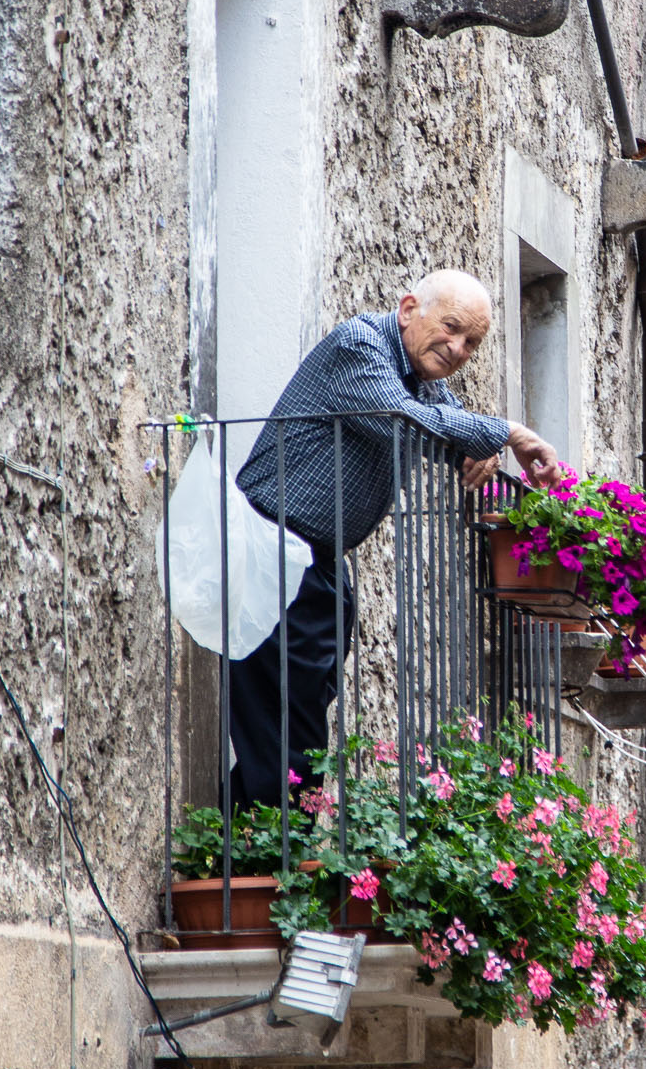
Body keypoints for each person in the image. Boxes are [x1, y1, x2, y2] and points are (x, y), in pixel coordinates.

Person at [227, 270, 561, 806]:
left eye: (471, 342)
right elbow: (401, 421)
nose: (458, 348)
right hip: (273, 546)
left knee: (299, 710)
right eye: (451, 327)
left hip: (316, 559)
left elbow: (446, 422)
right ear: (409, 310)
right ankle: (268, 842)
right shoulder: (358, 345)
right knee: (285, 720)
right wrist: (507, 433)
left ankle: (252, 835)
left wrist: (480, 447)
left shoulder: (422, 378)